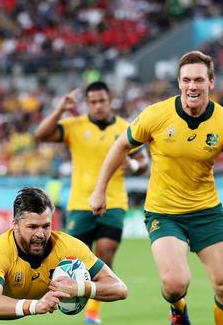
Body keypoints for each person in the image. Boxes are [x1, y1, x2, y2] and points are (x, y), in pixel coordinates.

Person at [90, 51, 223, 325]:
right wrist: (100, 189)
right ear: (179, 82)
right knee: (174, 285)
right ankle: (177, 309)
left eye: (198, 79)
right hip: (164, 214)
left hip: (206, 213)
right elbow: (121, 146)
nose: (192, 86)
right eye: (186, 80)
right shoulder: (157, 115)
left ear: (211, 82)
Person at [0, 186, 128, 324]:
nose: (40, 234)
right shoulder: (2, 248)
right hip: (0, 289)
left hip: (13, 272)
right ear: (15, 225)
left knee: (5, 265)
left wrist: (80, 287)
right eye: (32, 227)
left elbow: (119, 289)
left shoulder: (69, 246)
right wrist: (36, 306)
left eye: (46, 226)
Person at [34, 81, 148, 324]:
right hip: (79, 204)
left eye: (102, 101)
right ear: (87, 104)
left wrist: (135, 165)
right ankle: (62, 298)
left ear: (110, 101)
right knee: (71, 258)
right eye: (93, 102)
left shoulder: (124, 128)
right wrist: (60, 109)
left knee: (105, 254)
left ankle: (93, 313)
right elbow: (41, 134)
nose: (97, 106)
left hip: (114, 202)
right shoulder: (75, 126)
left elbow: (143, 161)